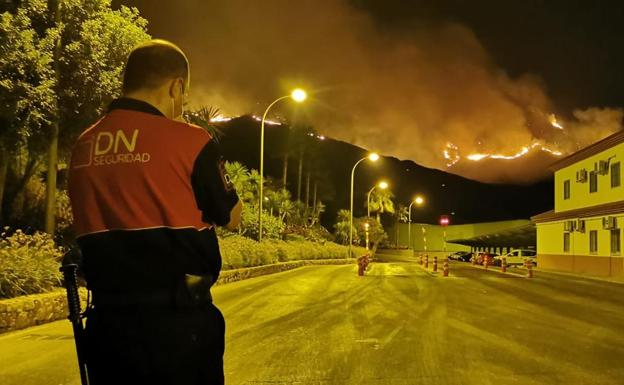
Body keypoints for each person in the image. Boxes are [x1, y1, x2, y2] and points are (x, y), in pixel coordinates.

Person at [68, 39, 242, 385]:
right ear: (176, 87)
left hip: (108, 328)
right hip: (178, 328)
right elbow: (231, 216)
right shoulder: (190, 141)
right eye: (185, 93)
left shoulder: (83, 145)